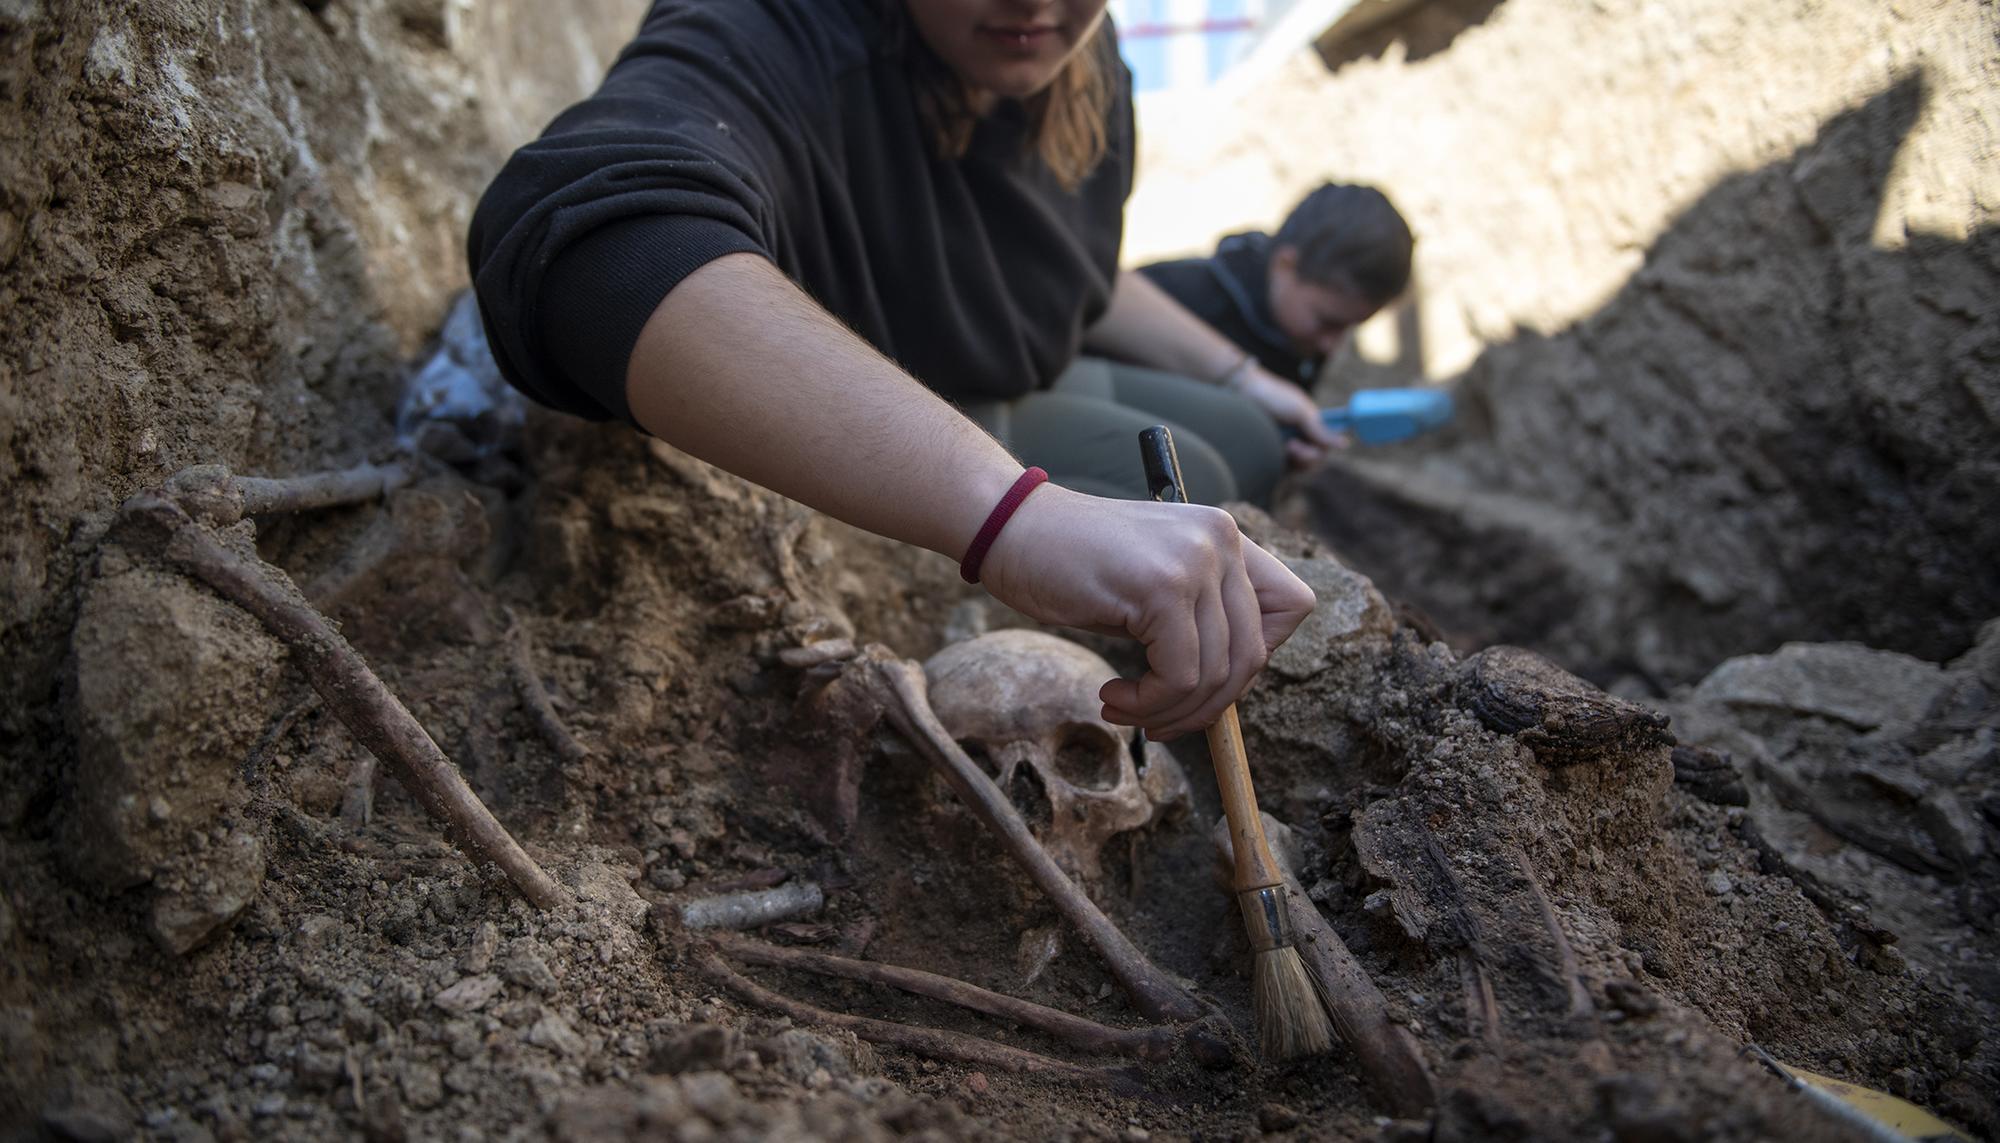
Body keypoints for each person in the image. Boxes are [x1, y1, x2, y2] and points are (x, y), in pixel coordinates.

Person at [469, 0, 1321, 741]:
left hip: (1017, 369)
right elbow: (591, 246)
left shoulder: (1085, 61)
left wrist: (1243, 372)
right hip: (889, 419)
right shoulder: (780, 28)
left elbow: (1078, 277)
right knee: (1201, 479)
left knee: (1251, 435)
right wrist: (1013, 519)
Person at [1139, 183, 1414, 391]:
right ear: (1286, 265)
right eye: (1327, 322)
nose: (1331, 345)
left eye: (1348, 329)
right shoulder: (1172, 294)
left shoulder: (1300, 340)